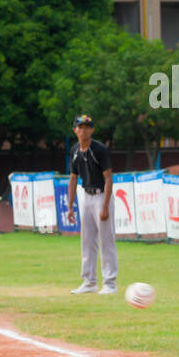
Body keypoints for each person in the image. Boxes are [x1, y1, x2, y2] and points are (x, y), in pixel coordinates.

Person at [65, 114, 117, 296]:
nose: (84, 129)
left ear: (92, 130)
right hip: (86, 196)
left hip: (102, 195)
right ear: (75, 130)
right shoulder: (74, 151)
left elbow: (109, 178)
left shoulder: (99, 149)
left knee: (106, 240)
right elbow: (73, 179)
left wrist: (105, 206)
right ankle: (89, 281)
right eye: (80, 126)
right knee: (87, 241)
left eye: (87, 126)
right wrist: (70, 206)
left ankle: (110, 283)